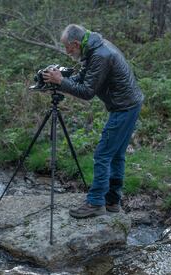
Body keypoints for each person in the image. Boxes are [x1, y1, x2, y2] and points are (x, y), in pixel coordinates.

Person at [42, 24, 144, 218]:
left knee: (103, 155)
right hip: (129, 105)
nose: (67, 51)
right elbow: (85, 76)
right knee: (116, 156)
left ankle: (96, 202)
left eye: (67, 47)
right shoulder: (96, 47)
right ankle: (112, 202)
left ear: (75, 43)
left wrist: (61, 83)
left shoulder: (100, 55)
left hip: (124, 108)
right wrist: (64, 77)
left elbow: (88, 92)